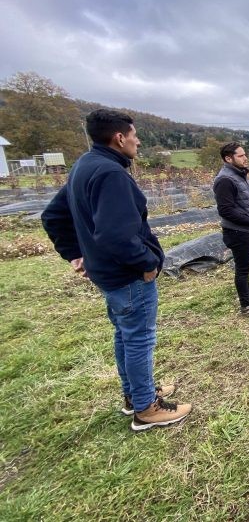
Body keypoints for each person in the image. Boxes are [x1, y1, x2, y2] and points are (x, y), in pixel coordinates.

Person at [41, 109, 191, 431]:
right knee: (139, 338)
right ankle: (146, 409)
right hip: (127, 275)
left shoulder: (84, 165)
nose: (138, 141)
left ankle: (136, 395)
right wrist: (148, 264)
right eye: (134, 135)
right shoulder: (111, 174)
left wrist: (76, 254)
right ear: (120, 137)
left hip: (107, 274)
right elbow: (114, 235)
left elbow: (52, 216)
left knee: (125, 335)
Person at [213, 142, 249, 317]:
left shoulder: (239, 175)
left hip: (245, 230)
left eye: (245, 155)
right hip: (238, 232)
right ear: (229, 158)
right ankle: (246, 306)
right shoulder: (226, 180)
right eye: (241, 156)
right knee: (242, 269)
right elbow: (226, 209)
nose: (245, 158)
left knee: (246, 265)